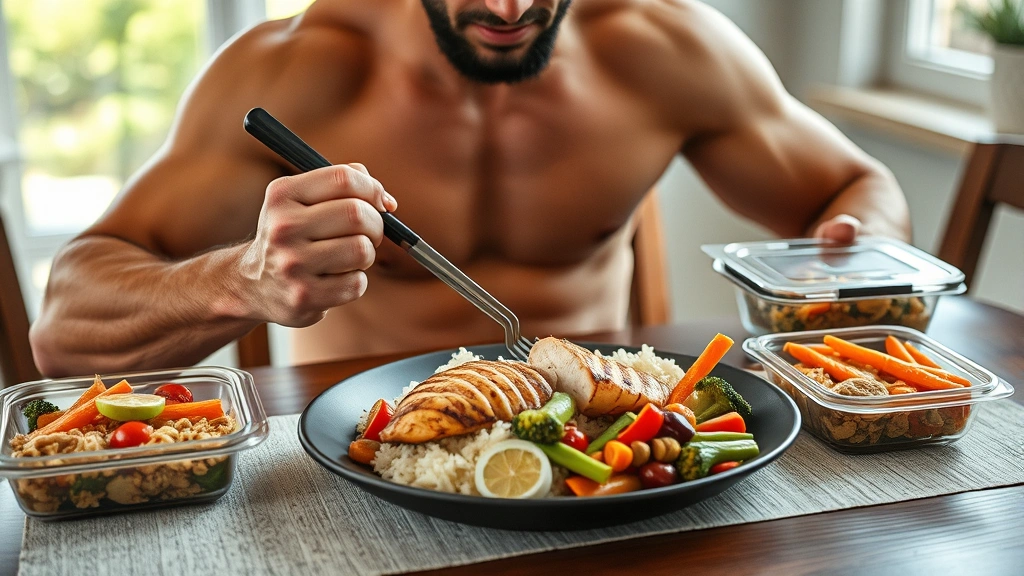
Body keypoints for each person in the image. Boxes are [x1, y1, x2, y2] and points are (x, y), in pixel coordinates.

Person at [30, 0, 910, 376]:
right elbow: (64, 330)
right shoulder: (302, 65)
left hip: (599, 472)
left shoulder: (663, 48)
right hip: (370, 476)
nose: (506, 6)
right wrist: (240, 280)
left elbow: (857, 188)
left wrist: (850, 248)